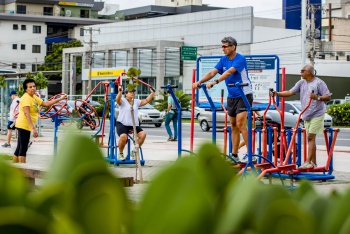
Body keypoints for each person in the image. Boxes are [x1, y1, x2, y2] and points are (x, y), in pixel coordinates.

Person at [193, 36, 254, 163]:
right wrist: (198, 82)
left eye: (225, 46)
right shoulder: (223, 60)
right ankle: (234, 155)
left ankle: (250, 154)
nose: (223, 49)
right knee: (233, 125)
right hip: (232, 96)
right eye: (222, 46)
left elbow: (229, 73)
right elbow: (212, 72)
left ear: (233, 47)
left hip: (244, 94)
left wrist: (214, 82)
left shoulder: (240, 59)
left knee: (241, 124)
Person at [270, 64, 331, 169]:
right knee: (310, 139)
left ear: (309, 72)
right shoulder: (301, 82)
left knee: (311, 137)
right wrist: (276, 93)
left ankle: (308, 162)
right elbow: (290, 92)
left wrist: (317, 97)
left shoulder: (319, 83)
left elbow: (328, 96)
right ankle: (313, 163)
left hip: (317, 113)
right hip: (307, 114)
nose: (301, 72)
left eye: (302, 71)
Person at [14, 79, 67, 163]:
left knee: (19, 147)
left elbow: (45, 104)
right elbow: (27, 114)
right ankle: (22, 172)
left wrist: (60, 99)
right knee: (23, 148)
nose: (33, 88)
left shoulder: (33, 96)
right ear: (26, 89)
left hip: (25, 125)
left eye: (34, 86)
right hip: (24, 125)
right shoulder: (26, 98)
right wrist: (33, 128)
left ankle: (15, 169)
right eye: (30, 87)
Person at [115, 86, 155, 160]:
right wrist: (120, 92)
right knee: (123, 137)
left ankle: (134, 151)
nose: (132, 93)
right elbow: (117, 100)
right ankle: (120, 153)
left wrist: (152, 93)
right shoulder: (122, 101)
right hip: (122, 123)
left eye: (133, 92)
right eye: (130, 92)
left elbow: (146, 101)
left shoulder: (136, 102)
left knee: (143, 135)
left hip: (133, 124)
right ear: (126, 94)